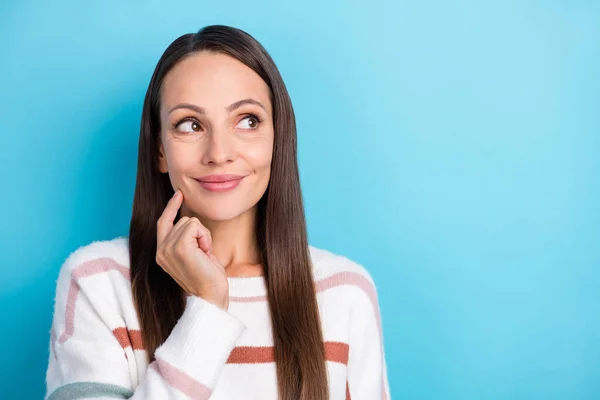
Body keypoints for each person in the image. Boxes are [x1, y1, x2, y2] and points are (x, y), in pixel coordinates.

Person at [45, 24, 391, 400]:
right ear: (160, 150)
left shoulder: (345, 292)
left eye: (247, 120)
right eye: (190, 125)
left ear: (278, 138)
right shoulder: (98, 282)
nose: (219, 152)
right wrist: (207, 308)